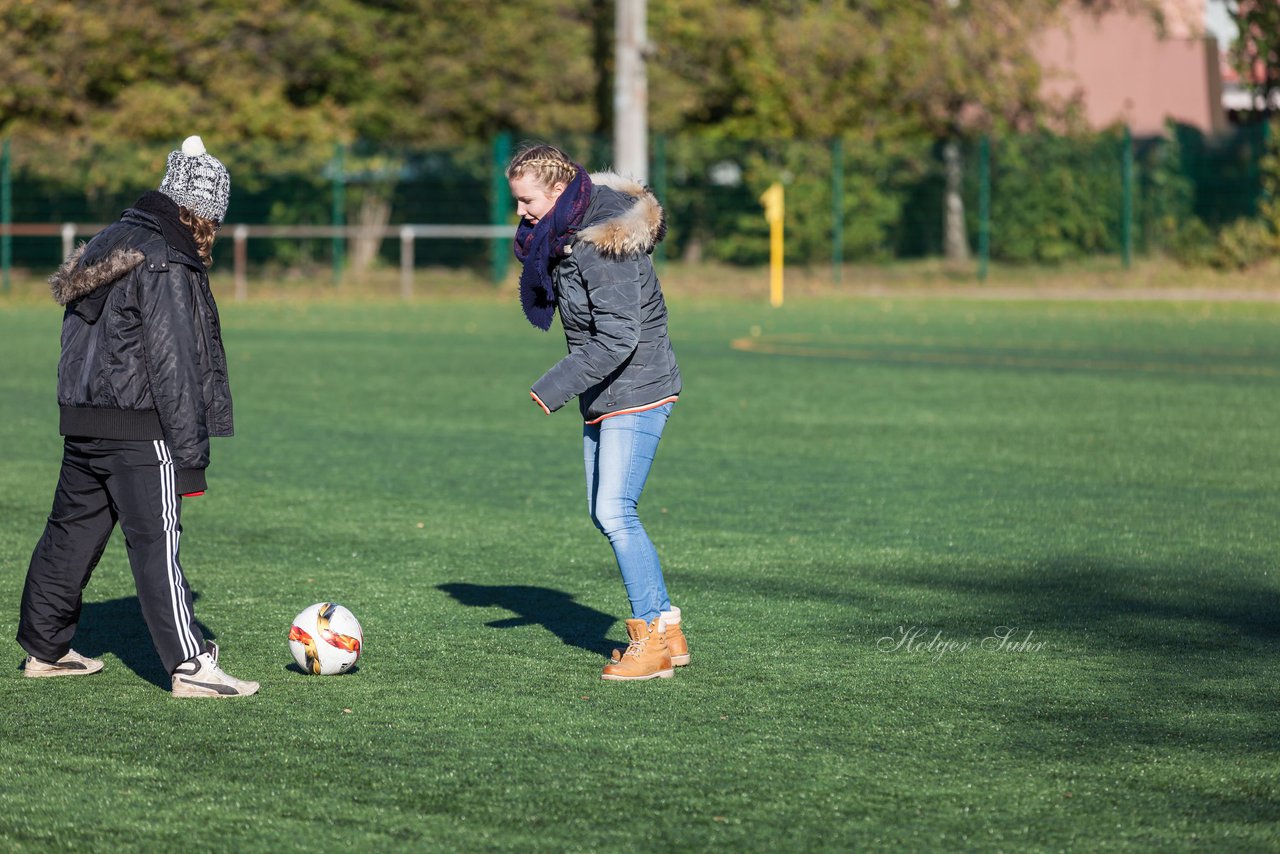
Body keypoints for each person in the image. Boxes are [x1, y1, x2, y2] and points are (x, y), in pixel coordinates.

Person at [17, 135, 258, 698]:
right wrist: (191, 458)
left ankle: (45, 649)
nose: (211, 233)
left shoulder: (106, 241)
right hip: (139, 423)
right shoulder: (166, 259)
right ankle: (190, 667)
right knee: (157, 542)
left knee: (70, 533)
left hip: (84, 418)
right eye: (211, 220)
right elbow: (175, 363)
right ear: (195, 210)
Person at [508, 143, 688, 682]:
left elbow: (618, 337)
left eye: (526, 200)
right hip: (609, 391)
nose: (520, 212)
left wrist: (554, 385)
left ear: (560, 192)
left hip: (638, 386)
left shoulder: (600, 243)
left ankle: (651, 643)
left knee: (615, 511)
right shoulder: (565, 235)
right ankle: (667, 628)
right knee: (604, 511)